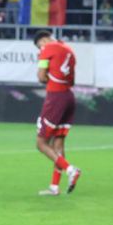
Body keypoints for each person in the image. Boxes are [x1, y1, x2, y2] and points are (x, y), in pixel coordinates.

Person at [33, 30, 81, 196]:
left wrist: (47, 77)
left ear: (43, 40)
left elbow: (40, 76)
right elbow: (72, 79)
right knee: (58, 143)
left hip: (55, 98)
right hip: (69, 96)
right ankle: (54, 187)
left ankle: (70, 169)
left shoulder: (47, 49)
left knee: (41, 143)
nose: (40, 49)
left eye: (39, 46)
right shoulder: (69, 50)